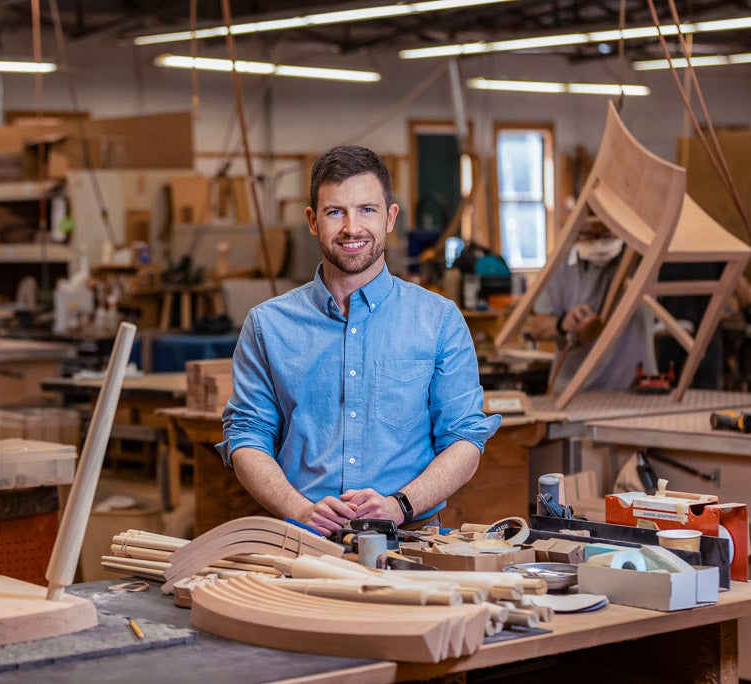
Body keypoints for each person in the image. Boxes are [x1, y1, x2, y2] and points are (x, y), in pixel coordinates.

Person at [218, 145, 500, 537]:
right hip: (303, 541)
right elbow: (247, 436)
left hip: (412, 537)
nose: (352, 228)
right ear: (313, 221)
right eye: (336, 212)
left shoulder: (438, 320)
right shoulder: (268, 325)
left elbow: (465, 440)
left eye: (367, 209)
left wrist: (399, 505)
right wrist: (298, 508)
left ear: (390, 217)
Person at [526, 224, 656, 393]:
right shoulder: (561, 264)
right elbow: (537, 328)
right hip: (575, 390)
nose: (600, 244)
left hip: (636, 389)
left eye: (607, 235)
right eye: (590, 236)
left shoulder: (641, 257)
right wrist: (562, 324)